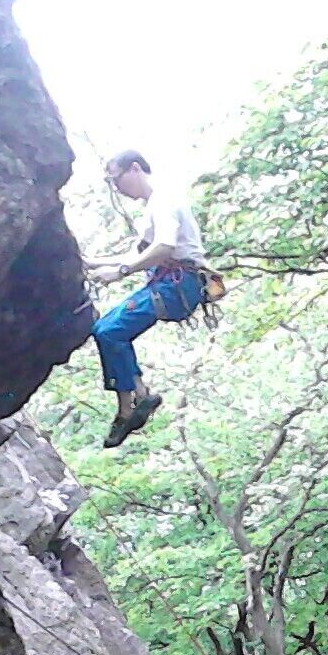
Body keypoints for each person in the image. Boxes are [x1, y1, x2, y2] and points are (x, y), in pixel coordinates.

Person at [86, 150, 214, 448]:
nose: (116, 187)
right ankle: (134, 401)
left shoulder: (164, 199)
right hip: (173, 284)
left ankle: (132, 404)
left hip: (176, 285)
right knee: (108, 331)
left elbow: (165, 246)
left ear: (134, 169)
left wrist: (120, 272)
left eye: (116, 179)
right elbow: (140, 253)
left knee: (109, 331)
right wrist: (94, 263)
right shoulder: (156, 204)